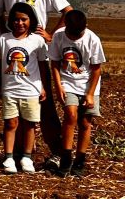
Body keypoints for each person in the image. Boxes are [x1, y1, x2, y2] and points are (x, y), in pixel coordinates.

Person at [0, 0, 72, 170]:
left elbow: (67, 10)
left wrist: (51, 34)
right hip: (14, 57)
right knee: (14, 111)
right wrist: (7, 37)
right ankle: (19, 153)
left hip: (38, 54)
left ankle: (56, 151)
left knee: (43, 105)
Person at [49, 10, 106, 177]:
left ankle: (80, 160)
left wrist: (89, 94)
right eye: (71, 34)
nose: (74, 38)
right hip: (68, 82)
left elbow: (96, 69)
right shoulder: (59, 36)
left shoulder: (92, 39)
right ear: (65, 26)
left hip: (89, 84)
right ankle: (65, 158)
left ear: (85, 27)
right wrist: (58, 86)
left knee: (85, 122)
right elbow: (54, 63)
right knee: (70, 115)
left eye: (77, 34)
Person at [0, 2, 49, 175]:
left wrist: (42, 87)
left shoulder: (37, 41)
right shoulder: (4, 39)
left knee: (29, 124)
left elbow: (42, 65)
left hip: (31, 90)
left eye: (24, 19)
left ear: (31, 21)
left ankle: (27, 157)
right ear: (11, 21)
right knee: (10, 123)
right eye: (16, 20)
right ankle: (9, 157)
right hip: (10, 89)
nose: (20, 23)